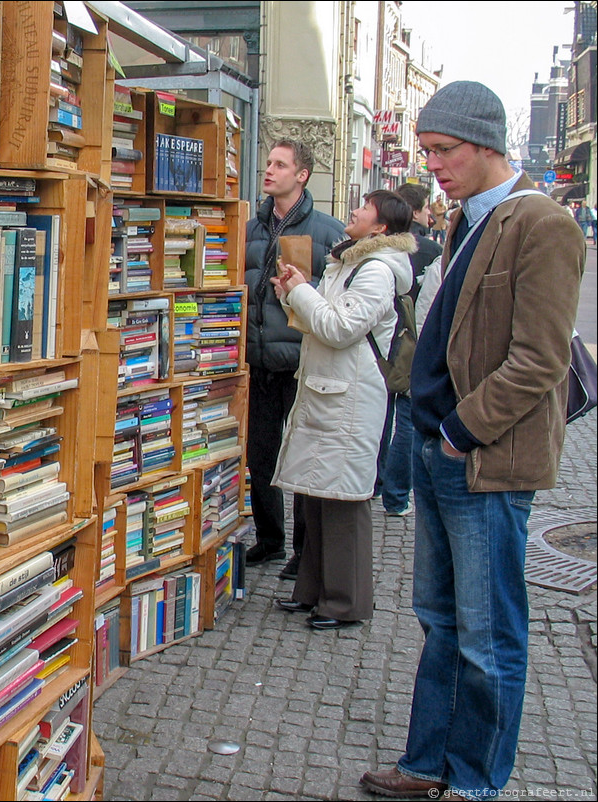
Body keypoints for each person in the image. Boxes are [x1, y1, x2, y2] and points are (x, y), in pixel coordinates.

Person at [362, 81, 585, 801]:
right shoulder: (465, 222)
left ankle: (478, 783)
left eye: (443, 151)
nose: (434, 167)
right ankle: (428, 764)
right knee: (440, 624)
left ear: (487, 142)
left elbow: (539, 359)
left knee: (490, 640)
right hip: (437, 452)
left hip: (483, 461)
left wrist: (460, 433)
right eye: (427, 152)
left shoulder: (542, 223)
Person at [270, 190, 414, 630]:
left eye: (364, 207)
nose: (353, 211)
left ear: (381, 227)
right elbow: (321, 316)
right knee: (316, 496)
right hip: (329, 390)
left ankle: (345, 602)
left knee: (344, 500)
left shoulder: (377, 271)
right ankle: (313, 591)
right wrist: (291, 294)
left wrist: (301, 293)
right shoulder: (348, 261)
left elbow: (339, 327)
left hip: (351, 397)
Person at [242, 139, 345, 580]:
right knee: (260, 453)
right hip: (257, 359)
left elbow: (338, 299)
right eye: (268, 163)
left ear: (301, 175)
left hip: (303, 362)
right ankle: (269, 539)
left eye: (280, 165)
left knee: (303, 458)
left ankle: (304, 553)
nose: (269, 171)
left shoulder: (329, 231)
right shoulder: (250, 227)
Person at [375, 184, 443, 516]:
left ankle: (375, 482)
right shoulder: (430, 250)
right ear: (416, 211)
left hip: (381, 340)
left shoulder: (377, 251)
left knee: (379, 412)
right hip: (410, 341)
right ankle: (396, 495)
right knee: (405, 418)